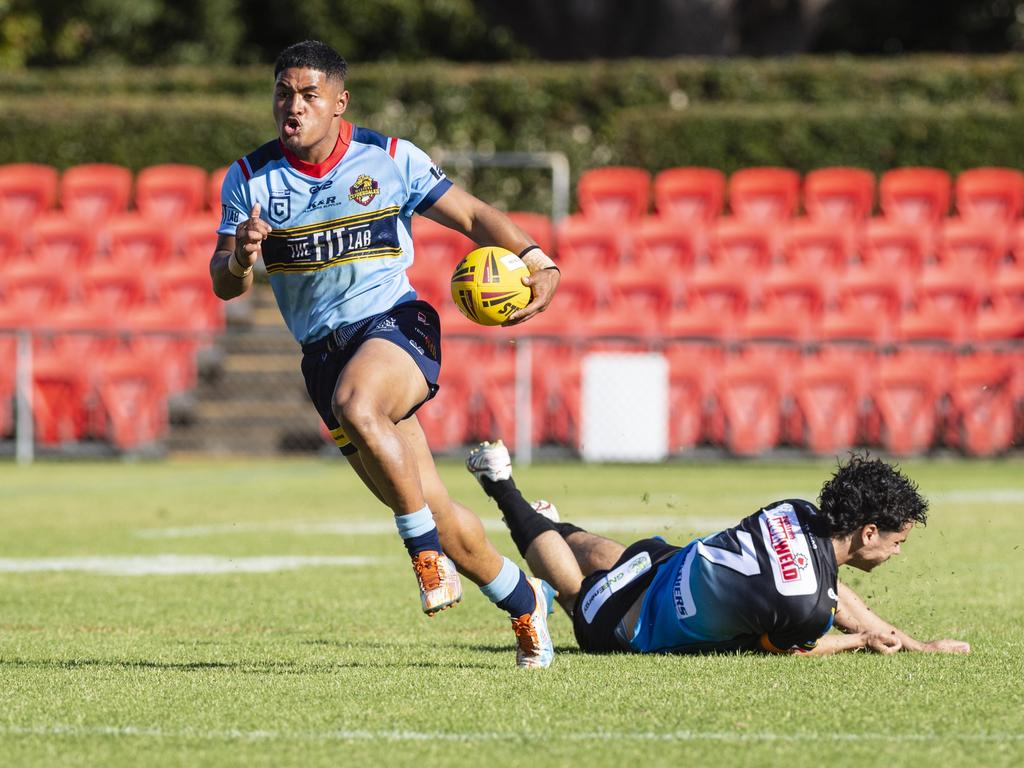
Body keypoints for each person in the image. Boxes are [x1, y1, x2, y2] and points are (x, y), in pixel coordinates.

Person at [209, 40, 561, 668]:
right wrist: (239, 256)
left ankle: (420, 555)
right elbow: (224, 285)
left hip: (395, 326)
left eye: (309, 95)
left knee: (360, 406)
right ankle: (524, 600)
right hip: (323, 356)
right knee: (446, 518)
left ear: (339, 103)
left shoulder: (389, 159)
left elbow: (474, 214)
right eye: (283, 93)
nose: (293, 106)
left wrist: (536, 257)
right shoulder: (250, 178)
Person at [466, 441, 971, 656]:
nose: (897, 552)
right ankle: (501, 485)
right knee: (574, 592)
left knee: (590, 547)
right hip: (633, 621)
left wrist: (912, 642)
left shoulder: (793, 510)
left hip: (661, 561)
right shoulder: (807, 608)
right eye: (897, 542)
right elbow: (792, 649)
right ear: (867, 533)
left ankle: (551, 523)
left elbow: (831, 586)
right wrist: (862, 642)